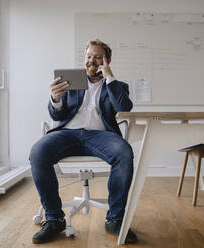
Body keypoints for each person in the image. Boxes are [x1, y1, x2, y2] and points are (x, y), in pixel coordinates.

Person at [29, 39, 137, 244]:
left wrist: (109, 77)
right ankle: (54, 218)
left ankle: (115, 219)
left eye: (98, 57)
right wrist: (55, 98)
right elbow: (56, 113)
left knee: (124, 153)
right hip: (67, 133)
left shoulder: (117, 85)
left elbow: (125, 108)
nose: (91, 61)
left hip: (100, 136)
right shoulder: (70, 81)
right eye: (88, 56)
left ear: (107, 60)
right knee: (38, 152)